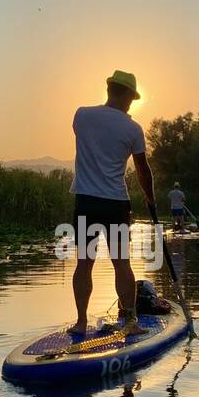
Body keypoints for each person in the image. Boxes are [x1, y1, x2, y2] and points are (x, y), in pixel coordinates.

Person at [70, 70, 157, 339]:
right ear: (128, 96)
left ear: (109, 89)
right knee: (121, 263)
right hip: (116, 204)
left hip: (86, 200)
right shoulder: (133, 129)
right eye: (131, 98)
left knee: (84, 263)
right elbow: (143, 170)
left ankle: (81, 322)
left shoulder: (81, 115)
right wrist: (150, 198)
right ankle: (131, 321)